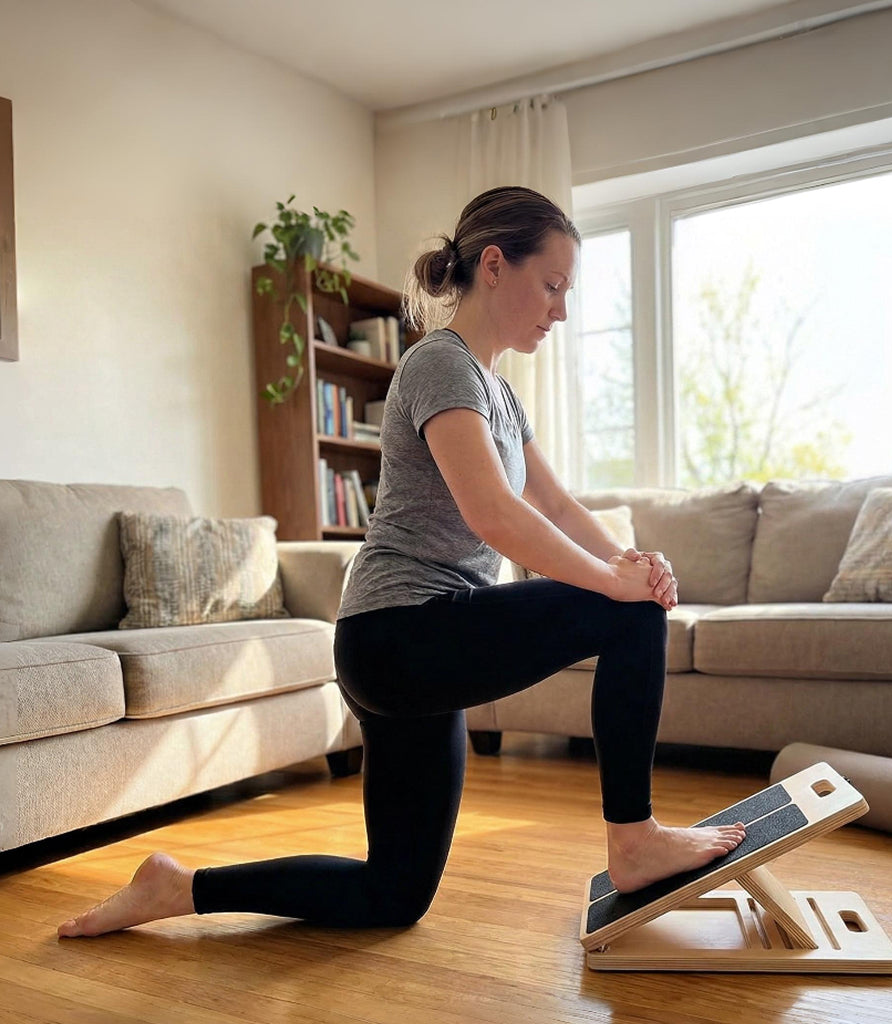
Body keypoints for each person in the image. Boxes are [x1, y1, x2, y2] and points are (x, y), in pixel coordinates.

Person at [57, 186, 745, 939]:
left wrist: (630, 559)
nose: (561, 309)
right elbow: (494, 512)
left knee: (393, 895)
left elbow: (552, 504)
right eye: (551, 285)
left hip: (412, 648)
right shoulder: (438, 364)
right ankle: (634, 838)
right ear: (493, 266)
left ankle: (179, 887)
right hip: (401, 632)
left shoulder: (501, 396)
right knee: (628, 615)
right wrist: (620, 588)